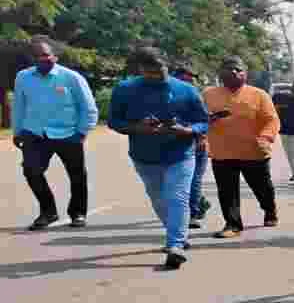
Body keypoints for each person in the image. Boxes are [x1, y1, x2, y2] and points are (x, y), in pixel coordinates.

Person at [107, 47, 209, 269]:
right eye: (151, 72)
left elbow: (203, 121)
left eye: (160, 69)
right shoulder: (125, 89)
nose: (157, 75)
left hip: (180, 153)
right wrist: (137, 127)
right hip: (144, 156)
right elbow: (114, 121)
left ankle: (175, 245)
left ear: (167, 65)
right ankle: (176, 232)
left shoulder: (186, 90)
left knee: (178, 196)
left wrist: (188, 130)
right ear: (141, 70)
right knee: (159, 199)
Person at [12, 35, 97, 230]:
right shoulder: (23, 77)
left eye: (47, 55)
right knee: (31, 171)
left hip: (69, 134)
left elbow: (88, 107)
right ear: (32, 60)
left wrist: (82, 132)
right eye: (39, 56)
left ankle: (78, 213)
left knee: (76, 175)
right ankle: (48, 212)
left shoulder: (71, 77)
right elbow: (19, 106)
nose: (45, 59)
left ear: (55, 56)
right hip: (35, 133)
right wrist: (18, 132)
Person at [203, 56, 281, 238]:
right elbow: (198, 118)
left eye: (238, 69)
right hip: (222, 152)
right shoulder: (208, 94)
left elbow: (272, 120)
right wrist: (208, 121)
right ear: (220, 73)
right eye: (229, 68)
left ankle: (270, 209)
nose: (234, 72)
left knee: (262, 188)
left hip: (254, 151)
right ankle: (232, 224)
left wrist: (265, 137)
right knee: (227, 191)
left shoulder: (259, 94)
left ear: (245, 74)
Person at [172, 67, 213, 227]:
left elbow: (204, 120)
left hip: (197, 144)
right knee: (179, 182)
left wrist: (202, 137)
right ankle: (200, 202)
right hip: (173, 145)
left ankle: (193, 214)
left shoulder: (198, 96)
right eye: (185, 78)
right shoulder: (168, 97)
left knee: (194, 180)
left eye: (192, 79)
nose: (190, 81)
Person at [273, 77, 294, 184]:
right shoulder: (281, 97)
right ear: (293, 88)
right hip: (284, 130)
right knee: (289, 153)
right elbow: (274, 111)